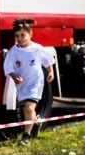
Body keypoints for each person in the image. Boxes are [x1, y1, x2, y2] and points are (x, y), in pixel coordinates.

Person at [3, 17, 55, 145]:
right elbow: (8, 66)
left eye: (23, 35)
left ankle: (26, 136)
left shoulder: (37, 49)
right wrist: (15, 76)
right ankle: (35, 125)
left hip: (35, 83)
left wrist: (51, 72)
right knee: (29, 110)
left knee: (28, 108)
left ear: (30, 34)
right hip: (22, 85)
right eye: (17, 35)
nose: (20, 38)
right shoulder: (14, 51)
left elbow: (47, 60)